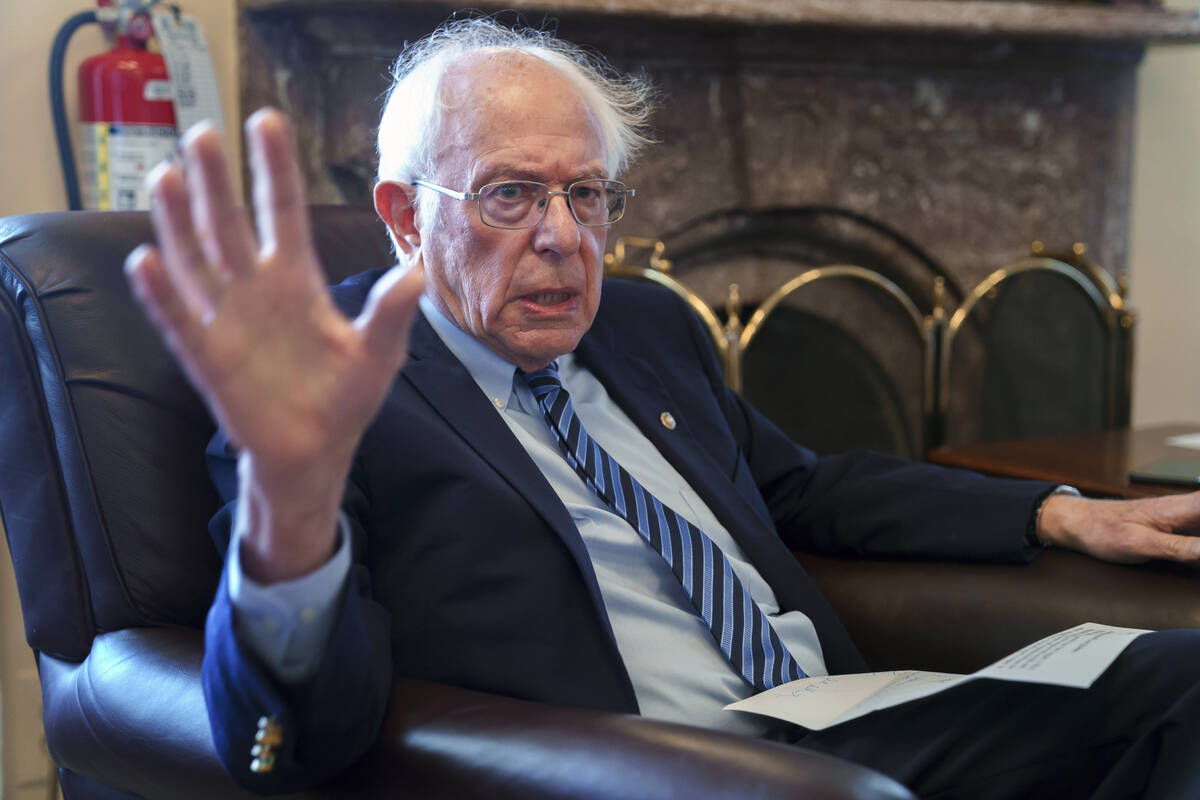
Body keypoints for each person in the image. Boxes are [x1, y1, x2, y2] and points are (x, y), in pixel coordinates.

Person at [125, 19, 1200, 799]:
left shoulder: (644, 326)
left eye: (585, 194)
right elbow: (291, 737)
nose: (562, 236)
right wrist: (292, 509)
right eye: (510, 194)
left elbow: (804, 487)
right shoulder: (323, 396)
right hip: (661, 767)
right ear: (405, 216)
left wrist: (1053, 513)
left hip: (836, 716)